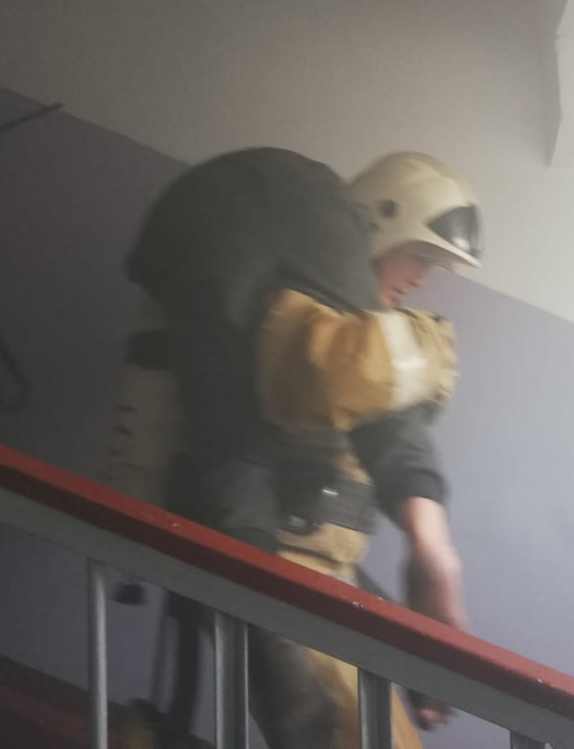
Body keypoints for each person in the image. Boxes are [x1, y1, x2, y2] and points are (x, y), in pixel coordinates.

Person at [105, 148, 480, 749]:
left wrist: (429, 558)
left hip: (308, 561)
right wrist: (265, 633)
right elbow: (230, 458)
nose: (420, 279)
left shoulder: (340, 333)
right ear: (379, 224)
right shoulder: (268, 308)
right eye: (420, 255)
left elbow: (381, 417)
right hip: (268, 558)